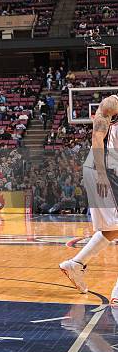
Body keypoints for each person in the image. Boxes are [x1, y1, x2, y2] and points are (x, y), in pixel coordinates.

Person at [59, 94, 118, 303]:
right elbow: (96, 138)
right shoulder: (112, 103)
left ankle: (76, 264)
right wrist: (102, 173)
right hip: (102, 170)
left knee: (112, 230)